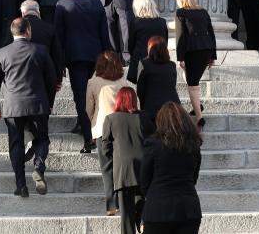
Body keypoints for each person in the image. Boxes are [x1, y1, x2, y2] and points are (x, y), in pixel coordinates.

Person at [0, 17, 57, 198]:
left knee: (16, 144)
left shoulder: (2, 53)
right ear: (28, 31)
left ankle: (21, 185)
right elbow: (52, 80)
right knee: (42, 139)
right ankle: (39, 167)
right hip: (38, 104)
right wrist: (50, 103)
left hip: (13, 106)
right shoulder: (40, 50)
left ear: (13, 32)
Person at [54, 0, 111, 151]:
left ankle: (89, 138)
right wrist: (106, 56)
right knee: (93, 95)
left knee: (80, 96)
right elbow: (104, 33)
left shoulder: (62, 5)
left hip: (75, 57)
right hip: (95, 56)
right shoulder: (96, 4)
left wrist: (59, 63)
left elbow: (58, 37)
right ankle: (84, 124)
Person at [139, 102, 203, 234]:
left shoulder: (153, 145)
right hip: (189, 208)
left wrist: (153, 195)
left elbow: (144, 180)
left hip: (158, 209)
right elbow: (194, 177)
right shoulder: (193, 145)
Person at [86, 51, 131, 214]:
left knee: (106, 167)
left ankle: (111, 205)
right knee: (120, 165)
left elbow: (88, 108)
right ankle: (123, 201)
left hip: (101, 128)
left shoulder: (93, 82)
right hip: (121, 127)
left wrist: (93, 121)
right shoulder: (122, 81)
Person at [102, 87, 145, 234]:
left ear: (118, 99)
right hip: (143, 168)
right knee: (141, 201)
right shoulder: (143, 118)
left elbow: (105, 147)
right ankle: (142, 222)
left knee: (126, 214)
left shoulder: (111, 119)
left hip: (123, 171)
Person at [174, 0, 216, 119]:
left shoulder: (181, 12)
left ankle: (199, 117)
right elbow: (212, 33)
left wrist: (180, 58)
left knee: (192, 84)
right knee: (193, 79)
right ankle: (197, 105)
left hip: (193, 51)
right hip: (206, 49)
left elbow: (180, 37)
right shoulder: (203, 11)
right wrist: (213, 55)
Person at [137, 36, 180, 134]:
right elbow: (172, 84)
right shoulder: (171, 65)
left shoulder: (144, 64)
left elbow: (140, 89)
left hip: (152, 108)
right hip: (171, 107)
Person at [127, 0, 168, 84]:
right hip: (159, 61)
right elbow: (165, 42)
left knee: (142, 92)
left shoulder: (135, 23)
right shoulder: (162, 22)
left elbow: (131, 45)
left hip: (141, 63)